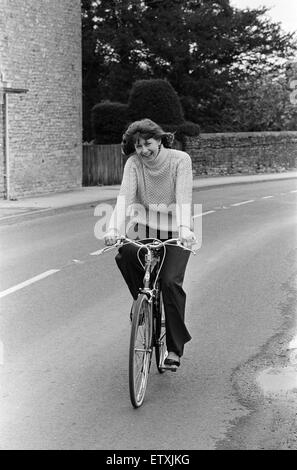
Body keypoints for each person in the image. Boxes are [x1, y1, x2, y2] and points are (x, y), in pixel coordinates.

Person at [104, 118, 197, 369]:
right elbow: (125, 196)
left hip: (179, 229)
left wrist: (185, 229)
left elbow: (183, 197)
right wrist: (113, 228)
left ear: (159, 140)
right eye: (137, 146)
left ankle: (174, 350)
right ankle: (141, 302)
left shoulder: (180, 160)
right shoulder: (134, 164)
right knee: (125, 253)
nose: (143, 150)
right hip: (147, 226)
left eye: (148, 143)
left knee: (169, 282)